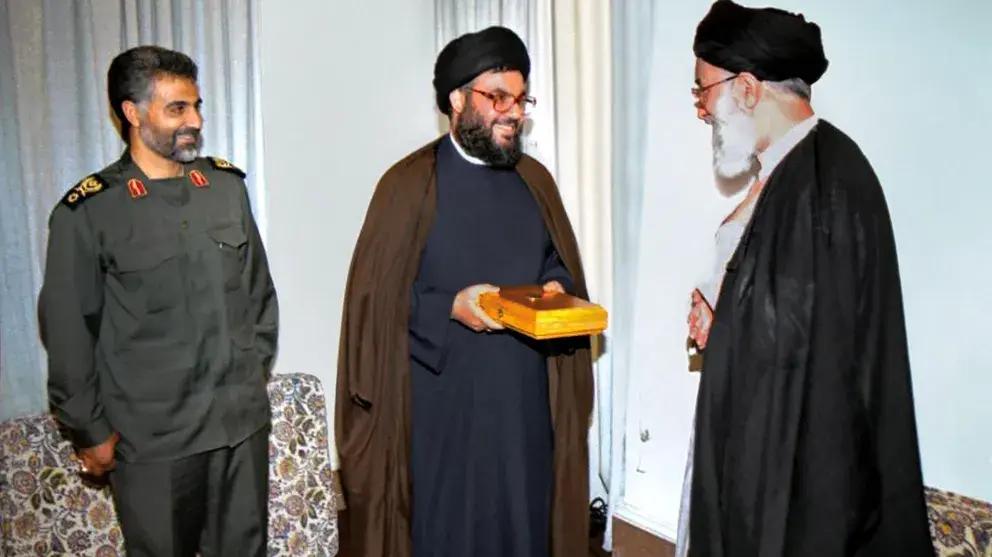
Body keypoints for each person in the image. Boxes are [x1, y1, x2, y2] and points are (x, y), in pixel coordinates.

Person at [684, 2, 933, 556]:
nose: (701, 109)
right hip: (768, 446)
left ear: (747, 88)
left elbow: (798, 352)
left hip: (797, 473)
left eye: (703, 90)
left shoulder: (823, 182)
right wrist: (719, 302)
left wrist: (725, 321)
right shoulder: (790, 168)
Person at [335, 26, 593, 557]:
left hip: (522, 403)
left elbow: (556, 259)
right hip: (442, 407)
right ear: (457, 100)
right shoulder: (408, 185)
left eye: (520, 99)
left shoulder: (535, 182)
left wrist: (558, 284)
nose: (513, 113)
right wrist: (449, 306)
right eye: (498, 97)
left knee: (523, 524)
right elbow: (373, 306)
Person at [39, 45, 278, 557]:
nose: (195, 121)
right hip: (154, 442)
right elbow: (68, 332)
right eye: (177, 109)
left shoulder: (224, 188)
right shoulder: (91, 211)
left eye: (196, 106)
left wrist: (250, 376)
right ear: (133, 112)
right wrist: (90, 430)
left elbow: (259, 296)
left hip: (239, 429)